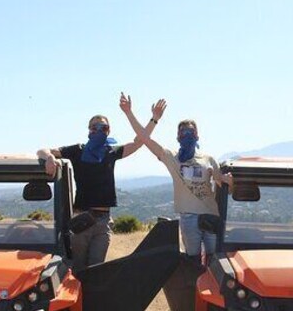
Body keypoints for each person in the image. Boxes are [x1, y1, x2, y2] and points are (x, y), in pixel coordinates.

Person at [36, 107, 157, 270]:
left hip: (104, 220)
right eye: (95, 127)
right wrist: (50, 158)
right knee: (78, 269)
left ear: (109, 131)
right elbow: (42, 150)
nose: (99, 130)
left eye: (103, 128)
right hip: (82, 219)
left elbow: (138, 142)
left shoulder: (111, 152)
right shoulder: (78, 151)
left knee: (96, 270)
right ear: (89, 130)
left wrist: (153, 119)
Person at [119, 93, 232, 265]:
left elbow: (221, 183)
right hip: (189, 218)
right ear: (178, 137)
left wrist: (230, 181)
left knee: (214, 262)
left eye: (191, 131)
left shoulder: (209, 159)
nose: (187, 135)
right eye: (183, 132)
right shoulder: (172, 158)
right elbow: (144, 139)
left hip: (211, 215)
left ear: (197, 135)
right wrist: (138, 115)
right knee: (193, 262)